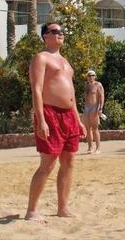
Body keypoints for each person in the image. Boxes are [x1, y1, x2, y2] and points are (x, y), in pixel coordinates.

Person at [26, 22, 86, 222]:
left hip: (69, 115)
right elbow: (36, 90)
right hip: (50, 113)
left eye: (61, 32)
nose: (60, 34)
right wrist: (41, 119)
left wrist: (78, 120)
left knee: (69, 162)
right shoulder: (40, 58)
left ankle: (62, 208)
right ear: (45, 36)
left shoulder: (66, 62)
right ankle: (32, 210)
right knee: (48, 164)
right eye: (54, 31)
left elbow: (72, 94)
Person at [82, 70, 104, 154]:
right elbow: (85, 98)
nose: (91, 77)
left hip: (94, 107)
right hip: (87, 108)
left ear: (95, 76)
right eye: (89, 75)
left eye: (92, 75)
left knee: (95, 128)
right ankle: (90, 148)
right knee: (88, 129)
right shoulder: (87, 86)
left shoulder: (98, 85)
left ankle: (98, 148)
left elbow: (101, 97)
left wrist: (100, 108)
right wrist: (84, 108)